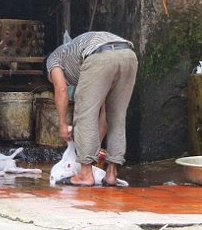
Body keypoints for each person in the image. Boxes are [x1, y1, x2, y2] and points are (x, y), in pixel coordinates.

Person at [45, 31, 137, 186]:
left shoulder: (53, 60)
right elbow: (103, 116)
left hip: (99, 55)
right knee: (116, 117)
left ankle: (85, 176)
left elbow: (61, 89)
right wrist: (93, 146)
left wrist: (62, 123)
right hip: (128, 53)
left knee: (84, 116)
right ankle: (111, 175)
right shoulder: (74, 55)